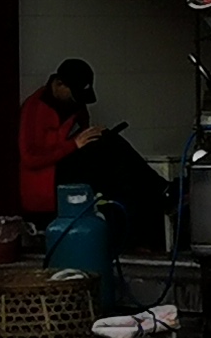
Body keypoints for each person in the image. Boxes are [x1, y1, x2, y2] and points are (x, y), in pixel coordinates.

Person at [14, 58, 171, 250]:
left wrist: (90, 137)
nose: (77, 101)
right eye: (75, 95)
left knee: (115, 160)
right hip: (49, 178)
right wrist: (74, 145)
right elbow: (30, 158)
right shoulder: (35, 108)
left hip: (69, 166)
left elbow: (82, 135)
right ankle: (163, 190)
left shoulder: (75, 105)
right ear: (59, 84)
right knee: (109, 147)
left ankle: (144, 229)